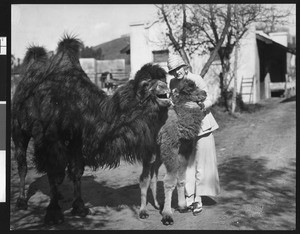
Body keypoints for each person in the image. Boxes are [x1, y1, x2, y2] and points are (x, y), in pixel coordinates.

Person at [167, 54, 220, 216]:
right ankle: (188, 199)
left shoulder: (196, 79)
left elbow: (209, 97)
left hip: (203, 126)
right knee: (187, 165)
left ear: (185, 67)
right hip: (185, 128)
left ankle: (198, 199)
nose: (177, 73)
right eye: (173, 70)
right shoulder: (172, 83)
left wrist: (200, 105)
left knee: (202, 165)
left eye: (179, 69)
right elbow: (173, 100)